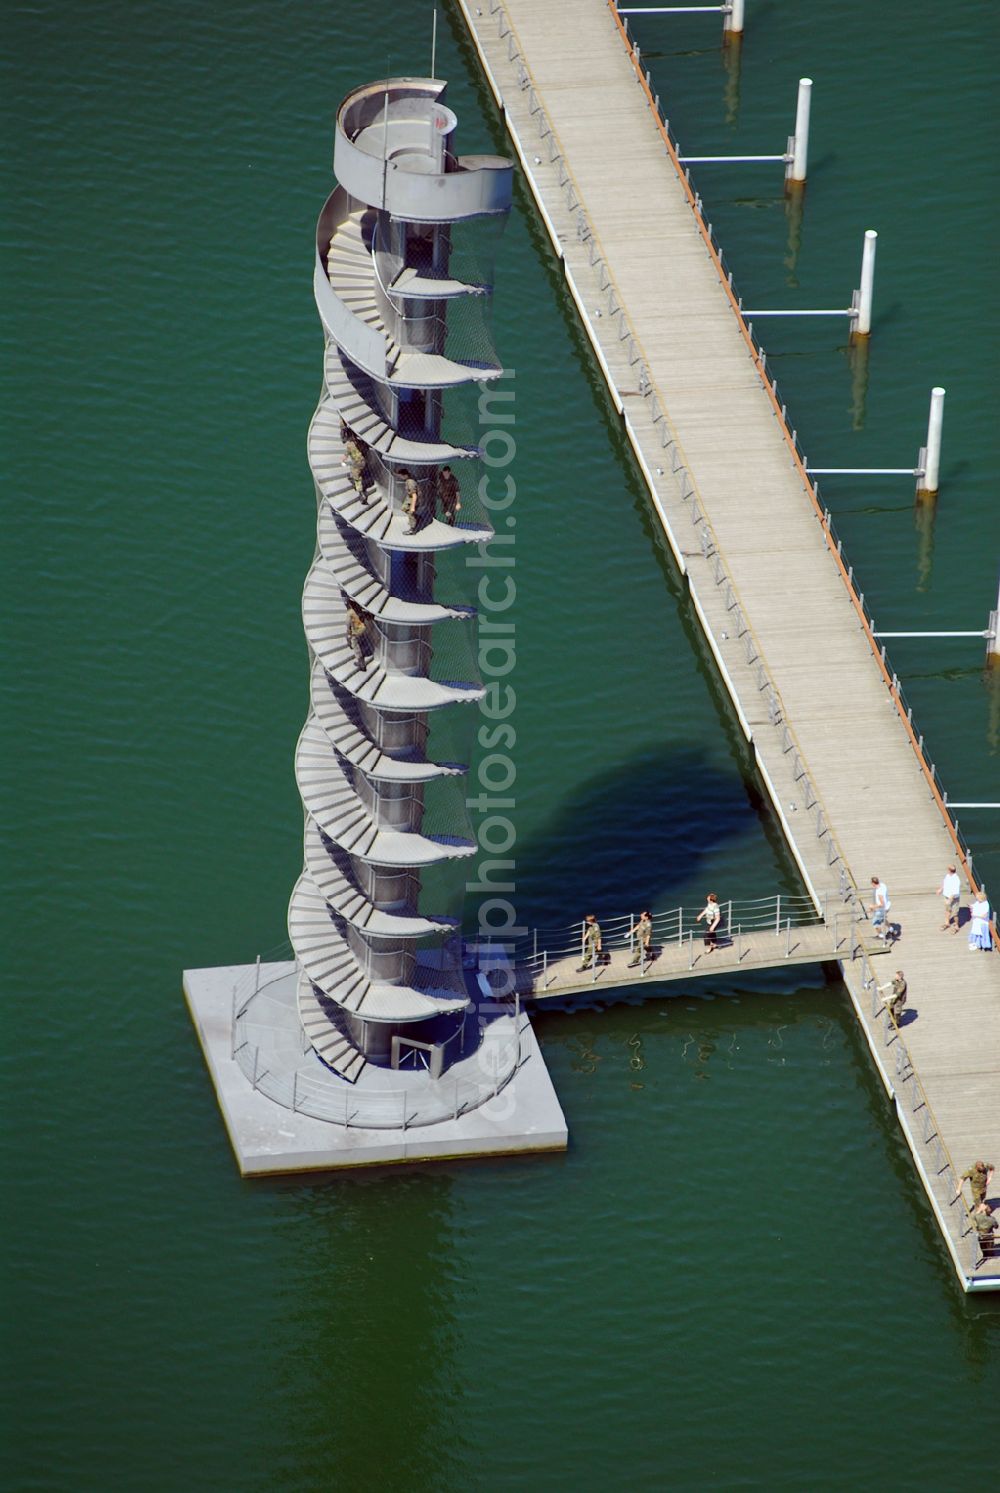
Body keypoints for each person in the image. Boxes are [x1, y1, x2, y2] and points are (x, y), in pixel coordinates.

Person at [343, 435, 369, 503]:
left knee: (357, 478)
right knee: (358, 473)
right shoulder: (362, 443)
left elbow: (345, 455)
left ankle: (361, 494)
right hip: (363, 462)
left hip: (356, 464)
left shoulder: (350, 445)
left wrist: (343, 461)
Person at [936, 864, 961, 933]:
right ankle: (947, 923)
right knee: (947, 910)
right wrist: (940, 889)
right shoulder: (948, 876)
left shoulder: (956, 879)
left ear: (950, 870)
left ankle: (956, 926)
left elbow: (955, 892)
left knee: (955, 913)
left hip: (953, 899)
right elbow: (945, 883)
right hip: (946, 896)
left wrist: (949, 900)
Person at [345, 602, 369, 672]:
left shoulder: (349, 613)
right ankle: (362, 661)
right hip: (363, 629)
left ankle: (362, 665)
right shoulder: (358, 609)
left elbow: (348, 625)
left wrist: (349, 636)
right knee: (360, 646)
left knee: (356, 649)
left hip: (357, 632)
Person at [869, 876, 891, 940]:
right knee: (882, 919)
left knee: (875, 922)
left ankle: (881, 935)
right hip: (888, 906)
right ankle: (891, 930)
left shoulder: (879, 892)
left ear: (873, 883)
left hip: (882, 909)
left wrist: (872, 906)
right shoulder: (883, 885)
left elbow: (882, 904)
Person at [401, 469, 422, 534]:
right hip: (410, 498)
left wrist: (412, 507)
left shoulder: (410, 482)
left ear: (405, 475)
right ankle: (416, 519)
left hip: (413, 499)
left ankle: (412, 530)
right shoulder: (409, 477)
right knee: (404, 508)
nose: (401, 478)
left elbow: (414, 495)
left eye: (401, 476)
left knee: (411, 513)